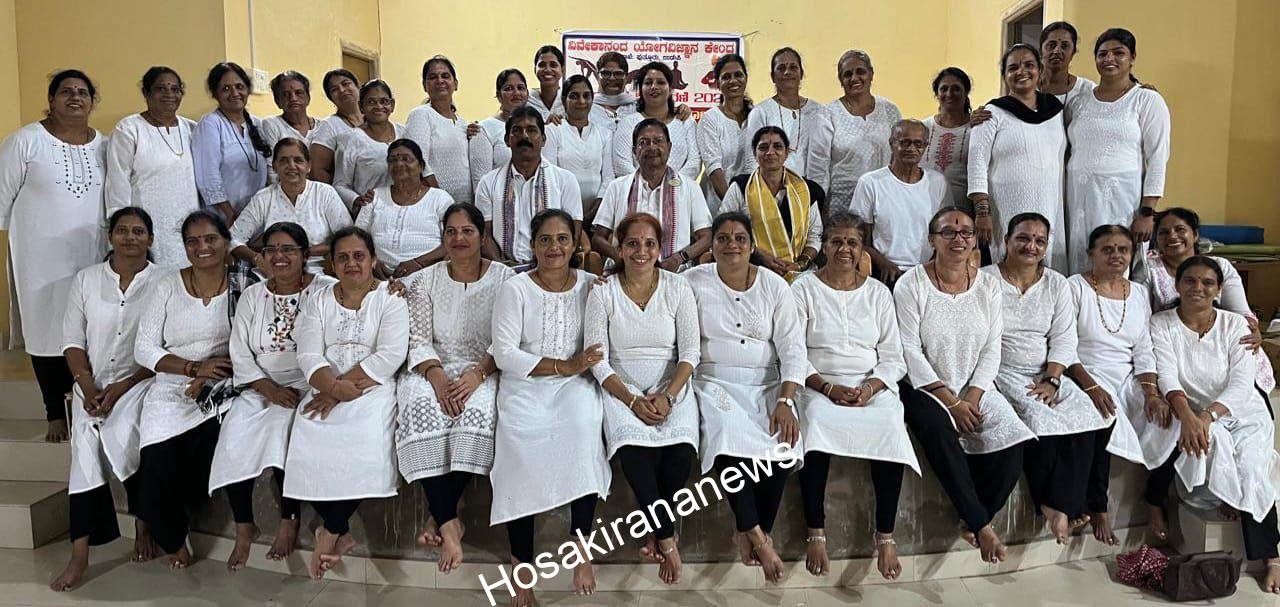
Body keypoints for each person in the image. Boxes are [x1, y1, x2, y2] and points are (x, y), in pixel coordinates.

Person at [894, 207, 1035, 565]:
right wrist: (951, 402)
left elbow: (992, 346)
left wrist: (972, 395)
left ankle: (973, 518)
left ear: (975, 240)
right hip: (924, 387)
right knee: (937, 430)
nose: (958, 239)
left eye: (966, 233)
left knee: (1014, 434)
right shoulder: (911, 284)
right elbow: (908, 349)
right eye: (948, 232)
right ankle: (982, 526)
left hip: (975, 385)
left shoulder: (988, 285)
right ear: (932, 239)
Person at [490, 209, 611, 604]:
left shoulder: (592, 286)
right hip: (525, 385)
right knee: (517, 449)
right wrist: (562, 365)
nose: (554, 247)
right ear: (533, 245)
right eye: (545, 239)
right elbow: (505, 353)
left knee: (583, 427)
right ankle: (521, 566)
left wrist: (573, 370)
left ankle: (581, 547)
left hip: (574, 385)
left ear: (575, 244)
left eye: (562, 239)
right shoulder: (515, 288)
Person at [791, 211, 919, 580]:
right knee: (814, 425)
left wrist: (870, 388)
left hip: (869, 386)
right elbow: (793, 351)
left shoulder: (878, 293)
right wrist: (827, 387)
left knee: (890, 425)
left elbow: (893, 357)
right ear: (824, 247)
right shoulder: (803, 288)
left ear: (862, 249)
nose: (844, 249)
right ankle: (816, 531)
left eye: (852, 242)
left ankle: (886, 535)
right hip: (818, 384)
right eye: (836, 241)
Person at [685, 212, 805, 584]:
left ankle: (750, 531)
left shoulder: (774, 286)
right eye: (722, 238)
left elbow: (793, 349)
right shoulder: (692, 282)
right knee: (725, 436)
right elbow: (651, 286)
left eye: (740, 238)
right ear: (712, 246)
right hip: (713, 381)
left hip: (766, 383)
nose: (731, 245)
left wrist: (785, 401)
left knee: (784, 444)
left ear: (753, 246)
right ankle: (759, 537)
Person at [283, 226, 409, 580]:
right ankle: (337, 528)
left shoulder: (390, 297)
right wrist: (331, 386)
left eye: (359, 256)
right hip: (326, 384)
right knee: (306, 435)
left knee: (365, 440)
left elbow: (390, 354)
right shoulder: (319, 299)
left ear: (373, 260)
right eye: (343, 257)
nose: (351, 263)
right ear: (332, 264)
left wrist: (337, 391)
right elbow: (308, 352)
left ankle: (331, 529)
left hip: (371, 387)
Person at [208, 222, 335, 571]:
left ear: (305, 255)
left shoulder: (325, 289)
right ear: (262, 257)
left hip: (308, 384)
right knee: (232, 436)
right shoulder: (253, 295)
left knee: (283, 434)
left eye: (288, 249)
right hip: (261, 385)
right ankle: (243, 525)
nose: (279, 256)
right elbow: (240, 351)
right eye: (271, 250)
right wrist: (268, 389)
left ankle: (288, 519)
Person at [395, 203, 514, 574]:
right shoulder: (424, 280)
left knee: (476, 414)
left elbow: (507, 338)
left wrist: (478, 374)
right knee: (419, 410)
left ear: (482, 236)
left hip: (486, 368)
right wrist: (436, 377)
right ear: (442, 237)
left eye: (467, 231)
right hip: (431, 367)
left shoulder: (505, 279)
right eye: (451, 231)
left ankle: (441, 516)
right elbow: (418, 338)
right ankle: (449, 521)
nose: (459, 238)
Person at [1150, 256, 1280, 594]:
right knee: (1210, 444)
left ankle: (1271, 558)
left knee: (1252, 469)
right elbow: (1166, 374)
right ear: (1177, 285)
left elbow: (1241, 384)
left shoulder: (1235, 325)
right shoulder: (1162, 323)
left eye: (1208, 282)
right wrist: (1189, 417)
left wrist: (1206, 417)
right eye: (1190, 281)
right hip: (1193, 408)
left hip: (1243, 411)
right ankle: (1225, 497)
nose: (1198, 288)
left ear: (1219, 289)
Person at [584, 212, 701, 585]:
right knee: (635, 453)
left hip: (671, 384)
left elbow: (690, 353)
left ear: (660, 248)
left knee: (679, 452)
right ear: (619, 248)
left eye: (650, 243)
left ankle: (656, 531)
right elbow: (597, 359)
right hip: (621, 387)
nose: (641, 251)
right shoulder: (603, 291)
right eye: (632, 243)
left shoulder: (678, 287)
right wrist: (632, 400)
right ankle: (666, 538)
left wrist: (669, 395)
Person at [985, 213, 1114, 544]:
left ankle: (1064, 504)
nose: (1031, 246)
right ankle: (1055, 505)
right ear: (1006, 241)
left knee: (1091, 413)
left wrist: (1053, 380)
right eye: (1023, 238)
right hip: (1002, 371)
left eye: (1039, 241)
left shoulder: (1057, 283)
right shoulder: (985, 279)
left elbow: (1064, 338)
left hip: (1048, 371)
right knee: (1040, 416)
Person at [49, 208, 161, 591]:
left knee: (125, 433)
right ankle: (79, 554)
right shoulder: (86, 279)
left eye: (139, 231)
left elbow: (165, 347)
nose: (130, 237)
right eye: (122, 230)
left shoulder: (164, 281)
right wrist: (87, 385)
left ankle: (144, 524)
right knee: (83, 447)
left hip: (141, 381)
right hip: (91, 383)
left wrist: (123, 386)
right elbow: (71, 341)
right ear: (110, 236)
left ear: (150, 238)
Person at [0, 68, 107, 442]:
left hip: (91, 254)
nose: (75, 97)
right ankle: (54, 413)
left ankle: (86, 403)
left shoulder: (105, 145)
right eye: (66, 91)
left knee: (89, 328)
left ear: (92, 102)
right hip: (40, 258)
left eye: (83, 92)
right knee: (47, 330)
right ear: (51, 99)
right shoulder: (24, 142)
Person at [134, 209, 237, 570]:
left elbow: (252, 344)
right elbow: (144, 348)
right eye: (192, 241)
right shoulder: (167, 285)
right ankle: (172, 538)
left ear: (226, 242)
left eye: (210, 239)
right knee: (156, 456)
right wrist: (192, 369)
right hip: (170, 384)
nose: (201, 247)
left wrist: (209, 375)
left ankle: (166, 516)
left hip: (222, 382)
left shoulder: (243, 284)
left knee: (204, 447)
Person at [1066, 225, 1172, 544]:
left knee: (1172, 421)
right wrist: (1091, 387)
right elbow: (1064, 345)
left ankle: (1156, 499)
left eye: (1123, 249)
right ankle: (1098, 506)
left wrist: (1151, 393)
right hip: (1086, 372)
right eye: (1107, 249)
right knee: (1103, 416)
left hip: (1128, 376)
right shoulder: (1074, 286)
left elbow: (1143, 348)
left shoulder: (1138, 292)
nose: (1116, 255)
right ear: (1091, 254)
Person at [1065, 28, 1171, 274]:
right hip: (1079, 197)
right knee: (1081, 260)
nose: (1109, 59)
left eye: (1118, 53)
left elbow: (1158, 157)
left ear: (1132, 57)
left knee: (1117, 260)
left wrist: (1147, 211)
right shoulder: (1079, 102)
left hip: (1123, 199)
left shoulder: (1146, 100)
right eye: (1102, 54)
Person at [1140, 207, 1275, 393]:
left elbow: (1241, 313)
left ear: (1195, 235)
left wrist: (1252, 329)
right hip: (1171, 346)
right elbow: (1142, 317)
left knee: (1239, 389)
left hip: (1219, 343)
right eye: (1163, 232)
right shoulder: (1149, 269)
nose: (1172, 236)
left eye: (1180, 229)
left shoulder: (1220, 266)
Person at [968, 44, 1068, 271]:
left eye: (1029, 65)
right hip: (1006, 204)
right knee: (1008, 262)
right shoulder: (992, 113)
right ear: (1004, 76)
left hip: (1049, 201)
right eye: (1013, 68)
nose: (1021, 72)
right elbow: (977, 162)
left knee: (1045, 265)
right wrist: (982, 211)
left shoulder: (1056, 110)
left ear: (1040, 70)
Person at [105, 66, 199, 268]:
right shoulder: (129, 128)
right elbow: (117, 182)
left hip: (187, 226)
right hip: (145, 227)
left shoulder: (192, 128)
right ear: (146, 93)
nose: (169, 94)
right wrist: (123, 232)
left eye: (175, 89)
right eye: (161, 89)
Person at [475, 106, 583, 269]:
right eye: (517, 130)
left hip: (552, 269)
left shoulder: (565, 180)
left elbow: (574, 231)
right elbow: (485, 234)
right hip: (504, 270)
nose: (524, 136)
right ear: (507, 140)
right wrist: (502, 270)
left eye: (532, 130)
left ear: (544, 139)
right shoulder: (488, 183)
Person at [595, 119, 710, 272]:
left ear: (669, 147)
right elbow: (598, 237)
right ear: (634, 151)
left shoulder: (690, 187)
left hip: (675, 273)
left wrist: (679, 258)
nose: (651, 147)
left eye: (658, 141)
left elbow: (706, 236)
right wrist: (620, 257)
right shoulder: (617, 186)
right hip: (624, 272)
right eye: (644, 142)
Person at [229, 138, 351, 275]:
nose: (291, 166)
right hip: (274, 272)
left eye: (298, 160)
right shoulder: (263, 198)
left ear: (308, 166)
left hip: (319, 272)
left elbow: (348, 237)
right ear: (274, 166)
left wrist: (307, 252)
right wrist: (257, 259)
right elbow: (232, 239)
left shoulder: (325, 193)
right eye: (284, 160)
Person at [850, 119, 948, 284]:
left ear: (926, 146)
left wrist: (931, 266)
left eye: (918, 144)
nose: (911, 148)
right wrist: (883, 263)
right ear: (892, 144)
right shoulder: (870, 182)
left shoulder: (938, 182)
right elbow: (858, 237)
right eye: (905, 142)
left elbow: (945, 232)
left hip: (926, 272)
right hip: (883, 272)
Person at [720, 126, 824, 281]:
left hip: (799, 273)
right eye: (763, 147)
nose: (770, 152)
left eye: (777, 146)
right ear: (754, 153)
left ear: (786, 152)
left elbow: (815, 235)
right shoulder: (741, 187)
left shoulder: (806, 189)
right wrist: (758, 254)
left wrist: (799, 264)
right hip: (752, 268)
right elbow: (724, 229)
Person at [809, 50, 903, 207]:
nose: (854, 78)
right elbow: (818, 166)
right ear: (841, 80)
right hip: (842, 202)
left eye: (860, 72)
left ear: (871, 74)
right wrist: (818, 205)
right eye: (847, 74)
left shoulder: (890, 110)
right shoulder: (827, 114)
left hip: (883, 198)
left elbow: (899, 155)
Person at [355, 139, 455, 278]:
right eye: (393, 160)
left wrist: (418, 263)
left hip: (428, 275)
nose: (399, 164)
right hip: (378, 277)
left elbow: (453, 241)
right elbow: (356, 239)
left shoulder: (440, 199)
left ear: (421, 166)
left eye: (406, 159)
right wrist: (372, 261)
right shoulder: (375, 197)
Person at [193, 62, 271, 225]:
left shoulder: (257, 124)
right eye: (226, 89)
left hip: (258, 216)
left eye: (239, 87)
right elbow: (208, 176)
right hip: (224, 220)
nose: (235, 93)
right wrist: (231, 215)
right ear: (215, 94)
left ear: (247, 89)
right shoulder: (210, 124)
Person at [742, 47, 827, 178]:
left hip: (810, 186)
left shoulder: (818, 111)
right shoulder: (761, 112)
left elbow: (823, 160)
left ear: (801, 73)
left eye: (793, 67)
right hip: (771, 186)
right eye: (781, 68)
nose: (787, 72)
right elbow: (752, 160)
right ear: (772, 77)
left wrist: (816, 189)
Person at [611, 62, 701, 183]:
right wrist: (646, 187)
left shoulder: (685, 121)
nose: (654, 86)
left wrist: (672, 185)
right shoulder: (628, 124)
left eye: (661, 82)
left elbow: (694, 161)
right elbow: (621, 165)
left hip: (679, 190)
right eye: (648, 83)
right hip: (635, 191)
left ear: (670, 89)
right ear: (640, 90)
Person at [542, 75, 614, 224]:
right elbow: (550, 177)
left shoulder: (605, 134)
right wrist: (573, 217)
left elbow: (608, 178)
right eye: (574, 96)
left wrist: (594, 213)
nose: (581, 101)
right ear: (564, 100)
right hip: (561, 214)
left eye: (586, 96)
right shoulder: (553, 131)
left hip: (599, 214)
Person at [333, 80, 408, 211]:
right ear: (361, 106)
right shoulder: (350, 140)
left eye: (384, 101)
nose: (378, 106)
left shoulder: (405, 133)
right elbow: (340, 184)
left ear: (392, 105)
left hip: (406, 208)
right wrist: (356, 200)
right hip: (371, 211)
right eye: (371, 102)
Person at [406, 55, 472, 203]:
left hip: (465, 205)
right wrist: (442, 200)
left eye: (445, 76)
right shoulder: (421, 115)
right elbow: (418, 162)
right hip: (435, 204)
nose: (440, 81)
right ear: (425, 85)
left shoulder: (462, 123)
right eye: (433, 77)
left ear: (455, 84)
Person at [697, 54, 751, 213]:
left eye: (738, 75)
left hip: (752, 205)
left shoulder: (757, 116)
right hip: (717, 206)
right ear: (718, 84)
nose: (733, 81)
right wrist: (735, 210)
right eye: (726, 77)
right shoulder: (710, 119)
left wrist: (751, 208)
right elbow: (714, 169)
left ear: (746, 78)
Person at [468, 69, 529, 192]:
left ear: (527, 93)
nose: (516, 93)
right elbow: (480, 184)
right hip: (498, 200)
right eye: (508, 88)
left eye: (520, 88)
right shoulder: (483, 130)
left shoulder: (536, 128)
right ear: (499, 95)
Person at [922, 67, 973, 209]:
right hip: (924, 208)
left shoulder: (976, 129)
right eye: (944, 89)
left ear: (966, 92)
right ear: (936, 94)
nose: (949, 94)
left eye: (956, 89)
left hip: (962, 212)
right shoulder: (923, 128)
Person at [308, 68, 363, 184]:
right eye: (334, 89)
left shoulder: (374, 120)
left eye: (346, 84)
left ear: (357, 86)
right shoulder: (329, 126)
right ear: (331, 98)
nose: (342, 90)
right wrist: (339, 192)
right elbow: (317, 171)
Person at [1039, 22, 1096, 111]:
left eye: (1064, 46)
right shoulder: (1026, 87)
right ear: (1040, 51)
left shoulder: (1087, 90)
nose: (1057, 51)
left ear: (1073, 53)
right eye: (1051, 45)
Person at [260, 71, 318, 148]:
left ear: (308, 98)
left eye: (298, 93)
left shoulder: (322, 126)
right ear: (277, 101)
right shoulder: (272, 125)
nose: (293, 98)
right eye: (286, 94)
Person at [589, 52, 637, 132]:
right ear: (598, 76)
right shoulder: (587, 108)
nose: (612, 78)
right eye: (606, 73)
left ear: (626, 77)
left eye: (618, 74)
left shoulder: (637, 108)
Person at [527, 45, 565, 119]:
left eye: (553, 65)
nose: (547, 69)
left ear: (562, 70)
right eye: (542, 65)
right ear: (535, 70)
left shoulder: (569, 100)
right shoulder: (527, 100)